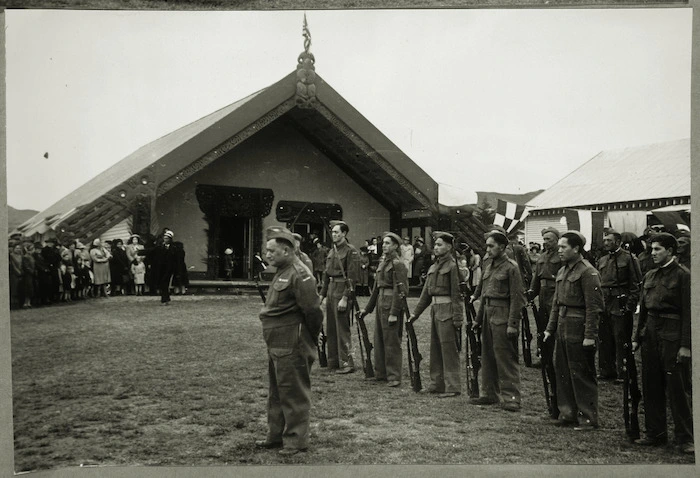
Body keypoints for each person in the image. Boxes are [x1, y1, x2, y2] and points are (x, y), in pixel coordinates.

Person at [255, 226, 323, 456]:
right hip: (277, 341)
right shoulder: (282, 270)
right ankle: (275, 435)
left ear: (286, 251)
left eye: (271, 251)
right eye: (267, 251)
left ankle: (295, 441)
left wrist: (309, 338)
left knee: (293, 392)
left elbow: (313, 310)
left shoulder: (299, 273)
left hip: (292, 341)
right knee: (277, 391)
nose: (267, 255)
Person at [633, 233, 693, 454]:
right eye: (652, 249)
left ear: (670, 251)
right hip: (650, 332)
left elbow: (689, 313)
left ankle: (685, 438)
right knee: (651, 384)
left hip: (672, 333)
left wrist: (686, 345)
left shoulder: (683, 276)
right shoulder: (650, 275)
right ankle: (655, 433)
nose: (653, 253)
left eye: (658, 249)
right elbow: (643, 310)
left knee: (678, 387)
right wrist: (636, 338)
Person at [543, 231, 604, 431]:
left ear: (576, 249)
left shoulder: (588, 272)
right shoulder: (562, 271)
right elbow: (555, 304)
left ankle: (587, 417)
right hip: (562, 324)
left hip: (578, 326)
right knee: (562, 370)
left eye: (563, 247)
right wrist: (550, 329)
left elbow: (594, 307)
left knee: (581, 372)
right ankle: (567, 412)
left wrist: (590, 336)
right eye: (559, 247)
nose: (559, 250)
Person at [470, 229, 525, 411]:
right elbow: (484, 294)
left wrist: (513, 324)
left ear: (502, 247)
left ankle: (511, 397)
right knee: (487, 355)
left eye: (491, 246)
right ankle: (489, 393)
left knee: (505, 357)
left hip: (503, 313)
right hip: (487, 313)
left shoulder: (511, 268)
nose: (488, 249)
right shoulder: (488, 265)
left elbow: (517, 298)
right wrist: (478, 319)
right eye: (487, 246)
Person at [408, 232, 464, 398]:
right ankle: (436, 384)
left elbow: (456, 295)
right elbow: (426, 294)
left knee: (448, 349)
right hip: (435, 310)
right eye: (435, 245)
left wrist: (458, 318)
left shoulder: (453, 267)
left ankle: (453, 386)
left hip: (447, 310)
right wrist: (415, 314)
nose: (436, 248)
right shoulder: (433, 267)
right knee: (436, 348)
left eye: (440, 245)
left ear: (449, 247)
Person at [360, 232, 408, 387]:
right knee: (379, 339)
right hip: (381, 302)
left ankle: (394, 376)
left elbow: (400, 290)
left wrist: (394, 312)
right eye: (384, 243)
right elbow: (376, 289)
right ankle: (381, 373)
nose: (385, 245)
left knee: (391, 341)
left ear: (395, 246)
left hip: (390, 303)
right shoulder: (383, 262)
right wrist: (367, 310)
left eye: (388, 243)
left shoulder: (397, 263)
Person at [596, 229, 642, 382]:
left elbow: (635, 284)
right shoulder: (602, 260)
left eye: (609, 240)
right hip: (605, 302)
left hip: (620, 301)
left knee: (620, 337)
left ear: (618, 242)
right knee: (604, 337)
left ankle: (622, 372)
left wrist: (630, 305)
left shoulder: (629, 258)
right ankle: (605, 370)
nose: (606, 243)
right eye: (605, 240)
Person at [319, 220, 361, 374]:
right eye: (333, 232)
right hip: (331, 289)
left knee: (342, 329)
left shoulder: (350, 251)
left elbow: (352, 277)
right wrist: (322, 295)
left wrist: (345, 297)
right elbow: (326, 274)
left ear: (344, 233)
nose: (334, 234)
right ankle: (334, 361)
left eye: (337, 232)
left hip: (342, 290)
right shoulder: (332, 251)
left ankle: (347, 362)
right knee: (331, 328)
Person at [151, 230, 178, 305]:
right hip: (161, 268)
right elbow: (152, 251)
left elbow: (176, 259)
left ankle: (164, 299)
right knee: (163, 284)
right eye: (164, 238)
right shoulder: (160, 247)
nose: (165, 240)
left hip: (169, 269)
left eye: (167, 238)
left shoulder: (174, 248)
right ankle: (166, 298)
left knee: (164, 283)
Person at [9, 242, 24, 310]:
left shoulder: (21, 256)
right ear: (14, 249)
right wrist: (18, 272)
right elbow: (13, 266)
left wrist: (22, 272)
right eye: (17, 248)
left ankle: (19, 303)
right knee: (14, 289)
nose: (18, 249)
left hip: (21, 273)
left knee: (20, 289)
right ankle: (13, 304)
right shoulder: (11, 256)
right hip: (14, 274)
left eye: (19, 248)